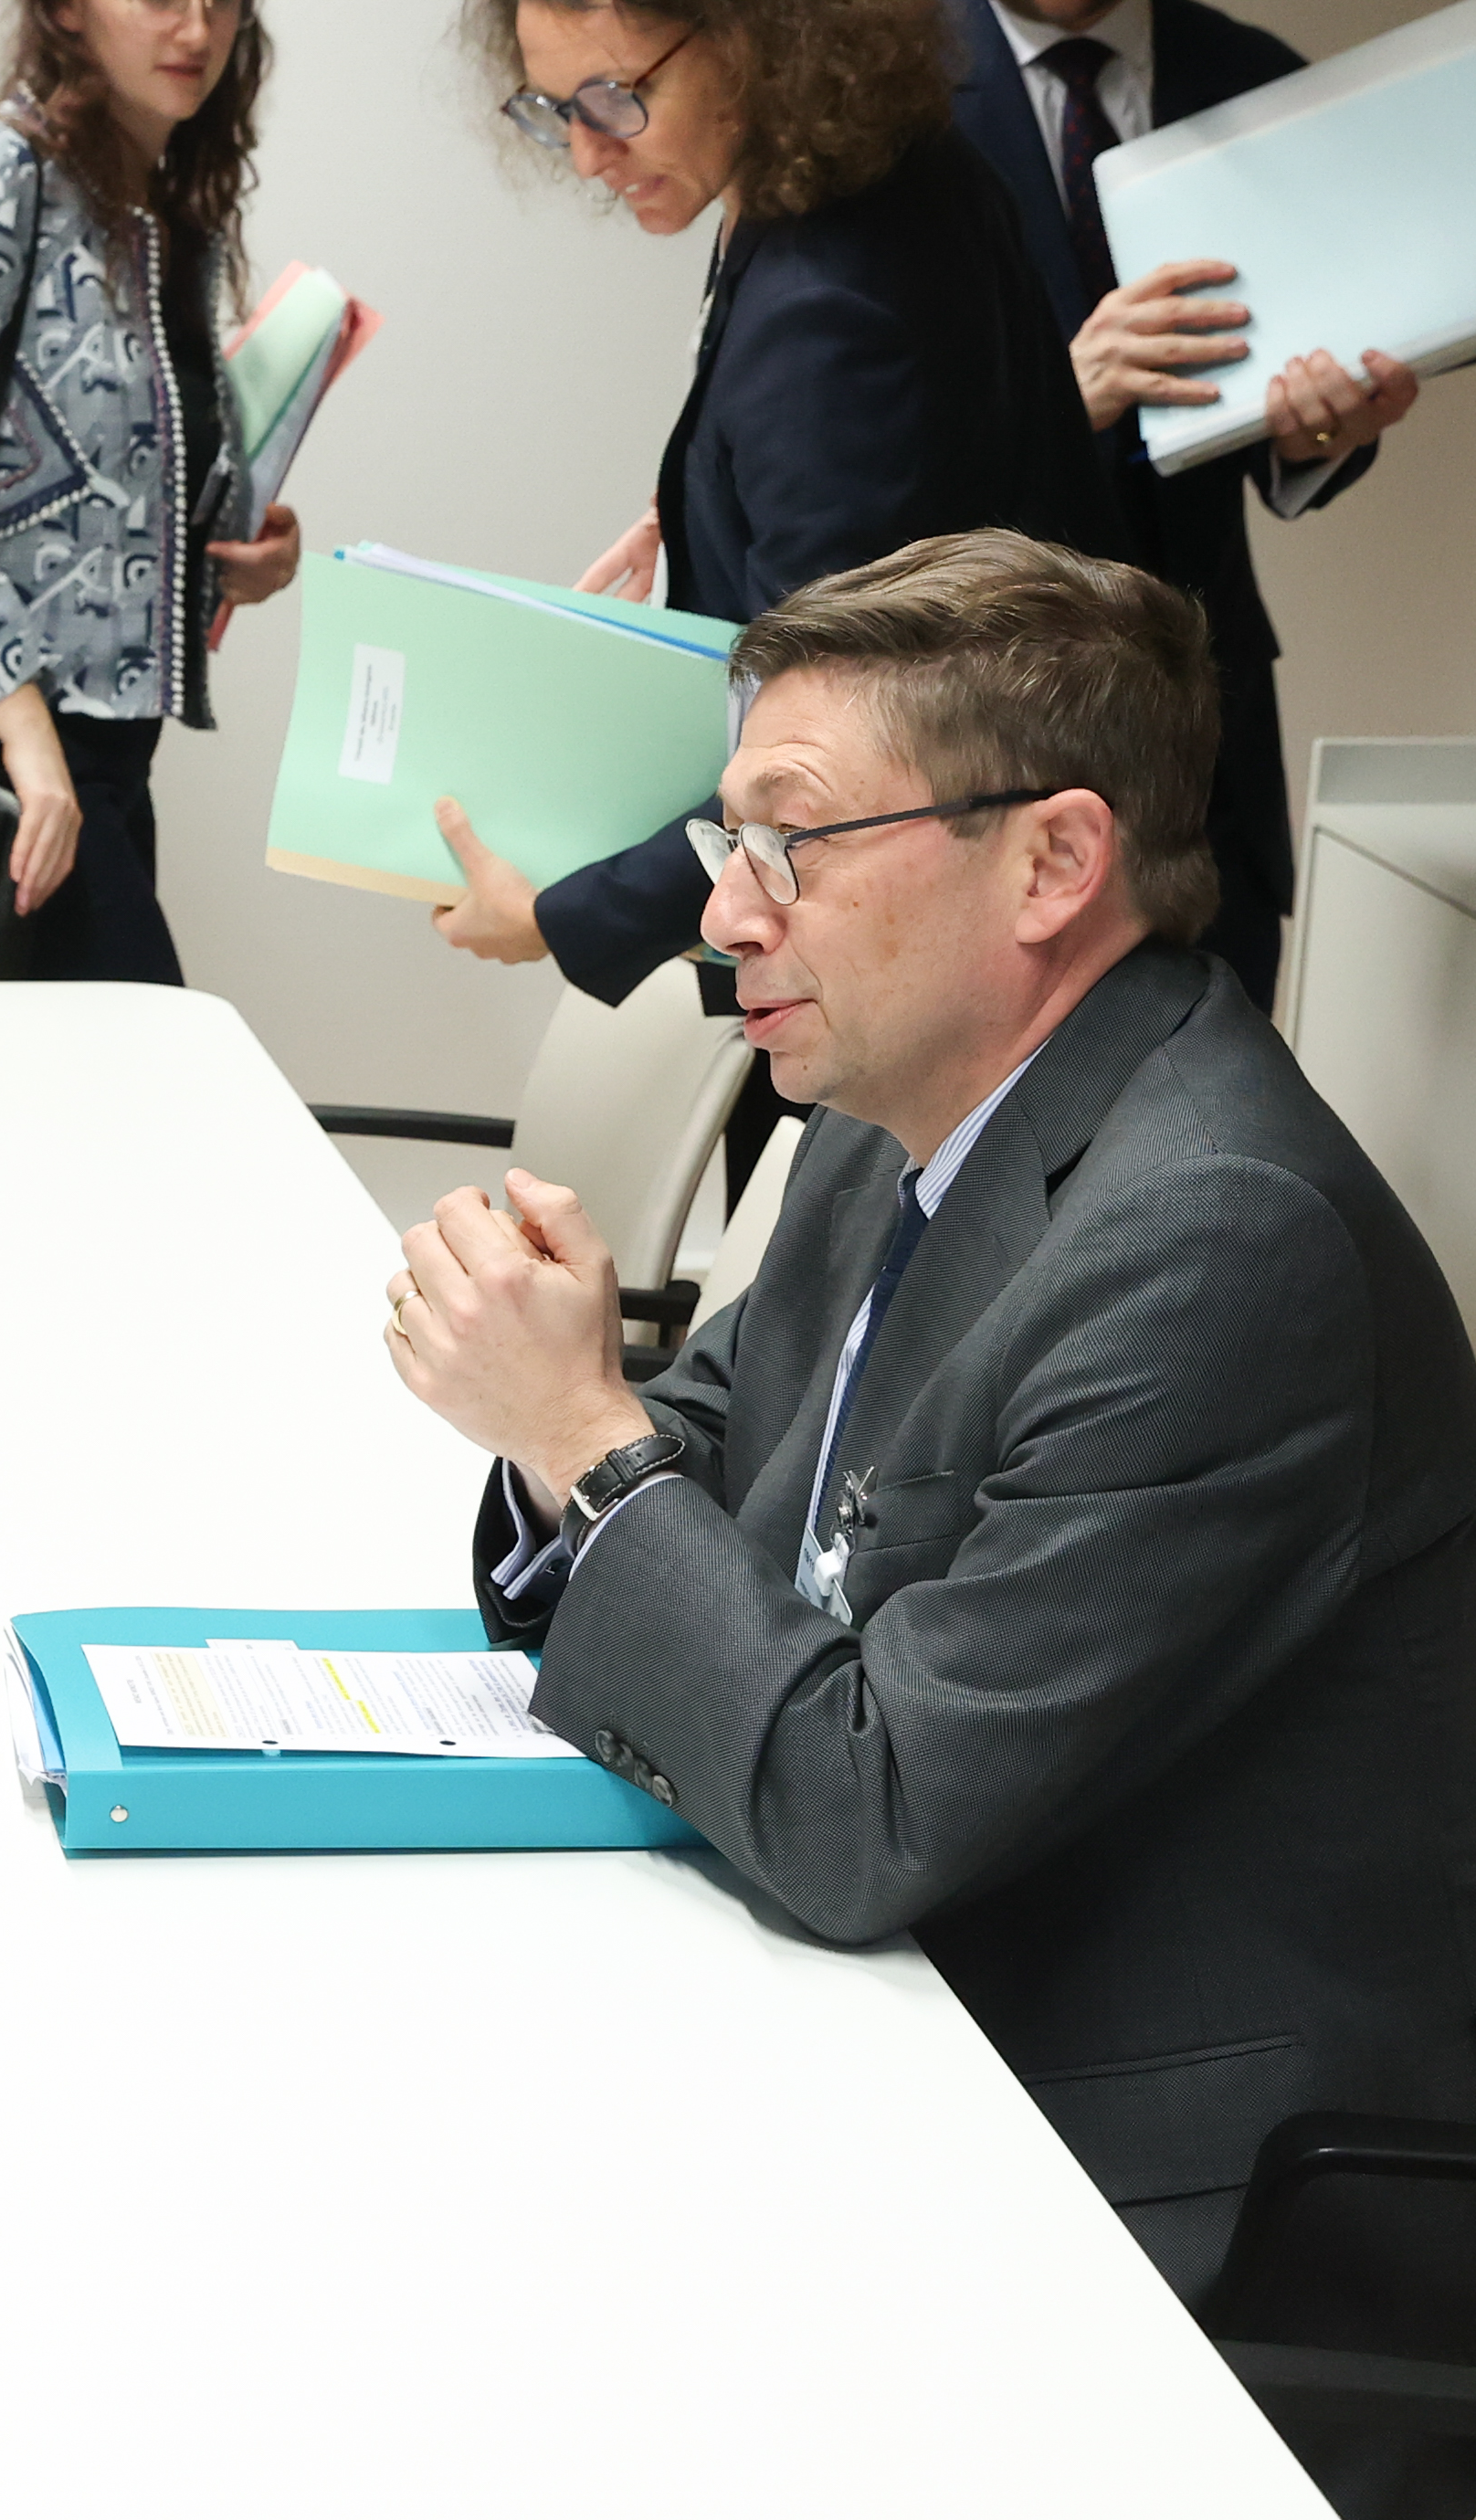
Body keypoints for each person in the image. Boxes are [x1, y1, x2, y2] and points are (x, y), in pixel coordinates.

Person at [380, 534, 1476, 2378]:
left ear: (1050, 860)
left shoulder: (1216, 1234)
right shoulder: (894, 1101)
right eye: (727, 840)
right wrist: (568, 1423)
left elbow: (861, 1806)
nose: (725, 911)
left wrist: (572, 1431)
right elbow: (715, 1450)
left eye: (789, 843)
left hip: (1142, 2174)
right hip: (890, 1971)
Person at [429, 0, 1124, 1199]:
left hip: (910, 984)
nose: (587, 153)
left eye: (614, 99)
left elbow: (837, 744)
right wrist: (718, 503)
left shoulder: (826, 299)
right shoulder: (896, 178)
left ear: (752, 42)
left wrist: (555, 914)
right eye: (552, 109)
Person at [0, 0, 306, 985]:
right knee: (140, 1063)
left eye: (220, 2)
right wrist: (29, 743)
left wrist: (233, 559)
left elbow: (80, 514)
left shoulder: (152, 217)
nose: (196, 32)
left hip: (98, 768)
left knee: (68, 1077)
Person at [947, 0, 1429, 1013]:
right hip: (978, 739)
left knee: (1223, 1091)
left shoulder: (1260, 78)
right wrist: (1056, 400)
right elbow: (855, 456)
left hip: (1210, 754)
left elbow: (1293, 388)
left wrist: (1317, 435)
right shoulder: (887, 89)